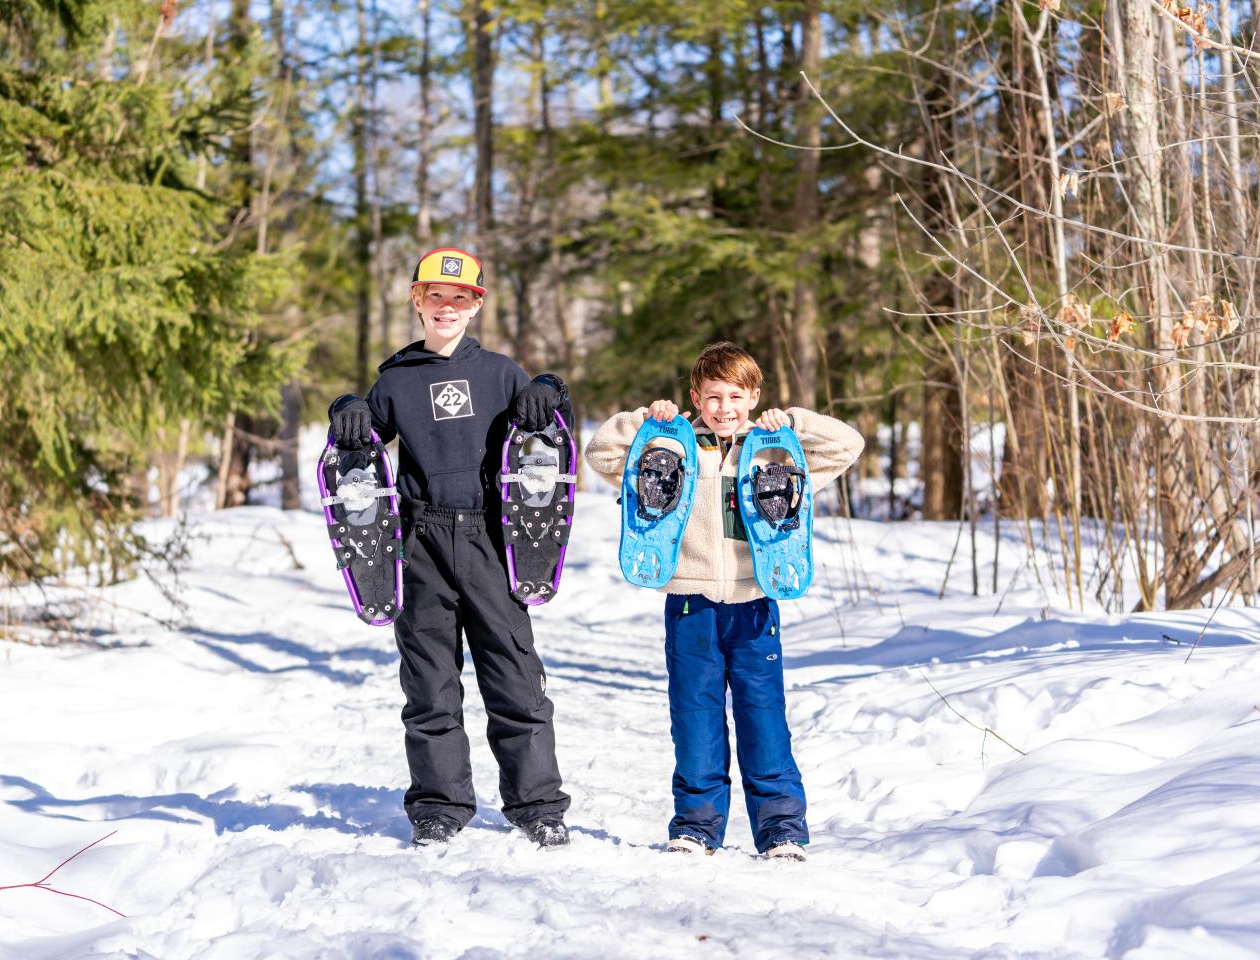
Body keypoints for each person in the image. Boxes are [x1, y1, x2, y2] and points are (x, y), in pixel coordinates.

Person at [328, 247, 572, 848]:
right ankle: (439, 805)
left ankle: (537, 804)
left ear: (476, 306)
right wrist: (347, 409)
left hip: (493, 537)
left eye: (459, 298)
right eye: (435, 296)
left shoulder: (500, 372)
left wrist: (549, 387)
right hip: (420, 542)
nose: (446, 307)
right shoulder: (395, 382)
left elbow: (544, 435)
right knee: (430, 682)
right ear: (417, 301)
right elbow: (361, 445)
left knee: (514, 675)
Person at [584, 342, 863, 861]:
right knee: (695, 717)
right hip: (691, 605)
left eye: (737, 395)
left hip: (756, 603)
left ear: (755, 397)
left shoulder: (776, 453)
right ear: (695, 397)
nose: (724, 406)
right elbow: (599, 453)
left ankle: (781, 827)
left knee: (764, 716)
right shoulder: (671, 450)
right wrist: (647, 420)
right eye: (713, 396)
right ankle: (695, 825)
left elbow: (847, 445)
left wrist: (794, 423)